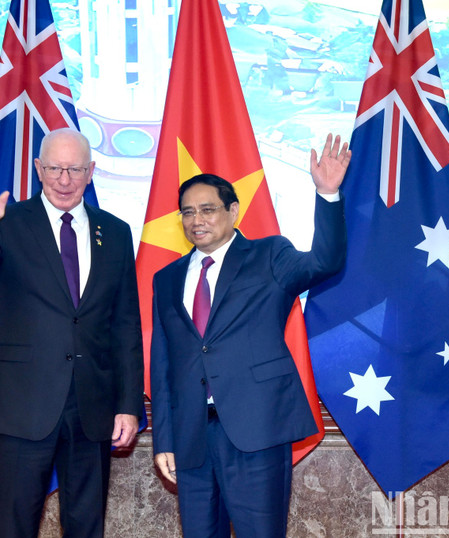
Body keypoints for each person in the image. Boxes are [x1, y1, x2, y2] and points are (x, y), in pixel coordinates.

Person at [0, 128, 144, 538]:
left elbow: (124, 325)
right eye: (55, 168)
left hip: (93, 407)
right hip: (22, 405)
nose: (64, 179)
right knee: (15, 526)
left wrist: (127, 404)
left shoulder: (117, 232)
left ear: (91, 172)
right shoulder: (6, 222)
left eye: (74, 169)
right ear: (38, 168)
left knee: (86, 526)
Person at [150, 134, 351, 537]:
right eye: (187, 212)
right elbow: (164, 363)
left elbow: (325, 261)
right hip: (190, 436)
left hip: (256, 427)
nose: (197, 220)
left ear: (234, 211)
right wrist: (164, 439)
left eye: (208, 209)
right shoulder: (167, 278)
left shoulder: (270, 255)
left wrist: (327, 195)